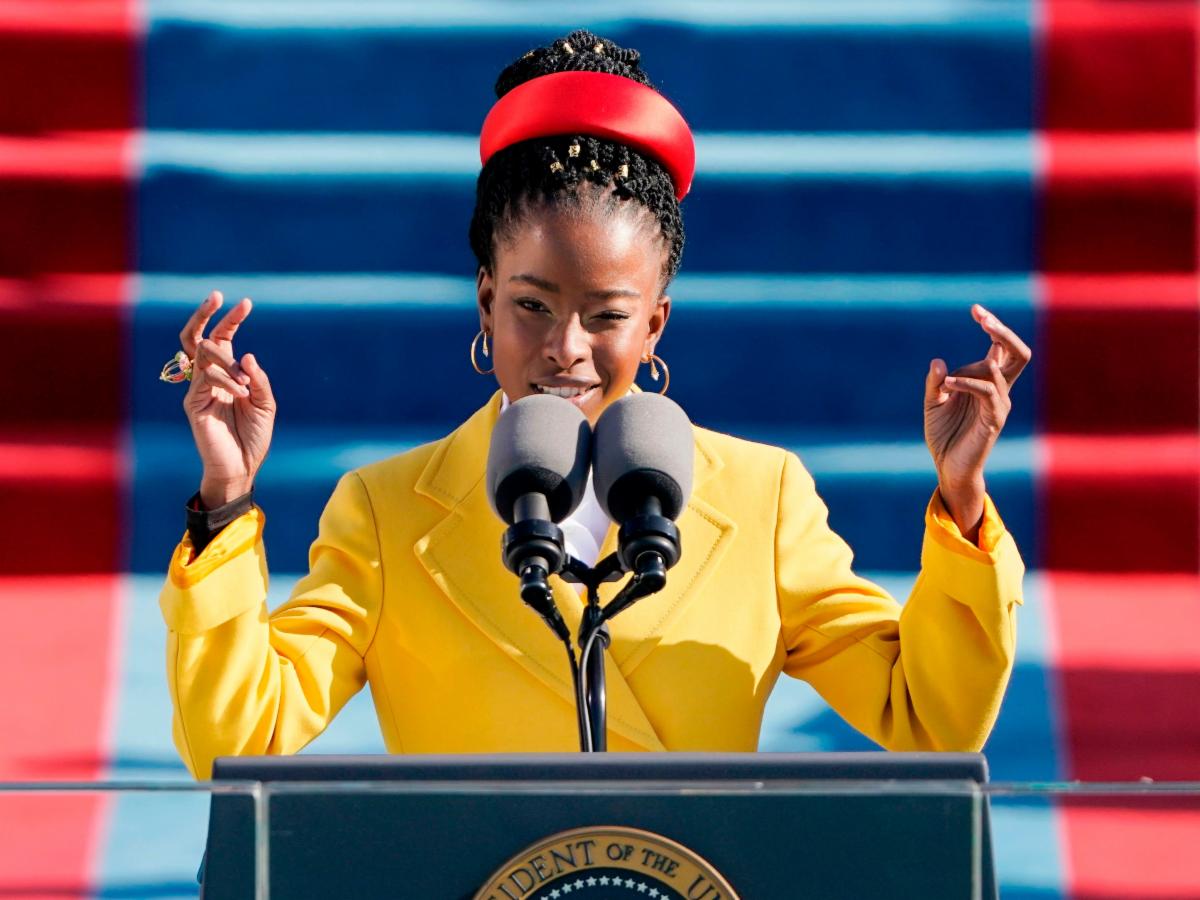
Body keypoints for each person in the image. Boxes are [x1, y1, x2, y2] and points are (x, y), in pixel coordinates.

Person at [159, 30, 1030, 780]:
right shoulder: (385, 514)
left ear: (655, 324)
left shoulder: (763, 498)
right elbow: (237, 742)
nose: (565, 347)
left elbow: (928, 717)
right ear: (484, 302)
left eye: (607, 316)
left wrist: (961, 501)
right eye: (531, 305)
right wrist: (225, 499)